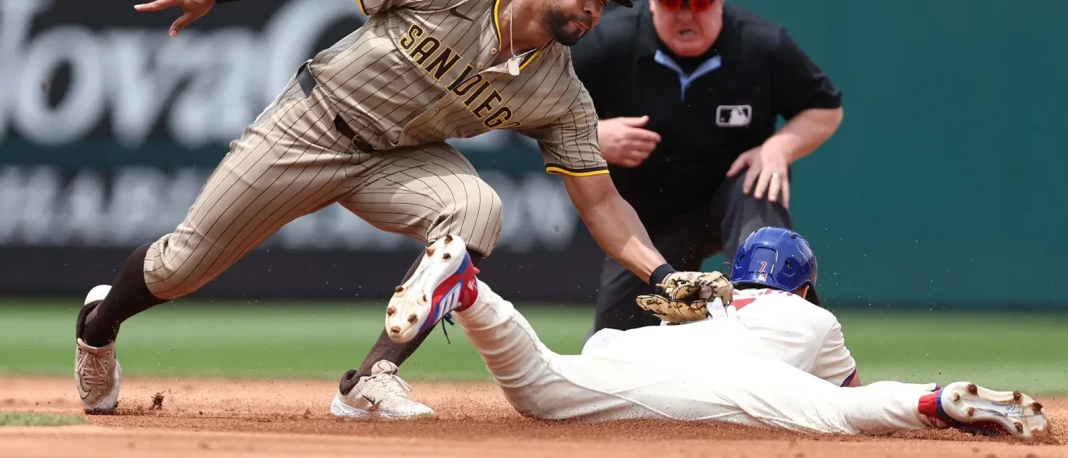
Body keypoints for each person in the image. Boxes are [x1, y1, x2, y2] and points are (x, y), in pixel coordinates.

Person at [71, 0, 734, 419]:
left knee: (479, 210)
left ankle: (371, 376)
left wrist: (661, 274)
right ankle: (97, 327)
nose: (591, 8)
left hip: (400, 158)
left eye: (602, 0)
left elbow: (602, 204)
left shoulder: (560, 93)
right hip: (314, 121)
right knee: (180, 267)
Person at [385, 231, 1048, 442]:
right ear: (806, 285)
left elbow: (602, 348)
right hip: (749, 382)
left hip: (639, 354)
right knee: (845, 414)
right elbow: (843, 391)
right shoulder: (814, 318)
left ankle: (471, 289)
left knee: (541, 382)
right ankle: (934, 401)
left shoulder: (706, 298)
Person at [569, 0, 844, 335]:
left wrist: (779, 147)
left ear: (719, 0)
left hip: (733, 200)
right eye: (672, 2)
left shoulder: (759, 43)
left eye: (698, 3)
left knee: (760, 183)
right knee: (613, 349)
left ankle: (773, 323)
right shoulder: (610, 43)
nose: (686, 16)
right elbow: (536, 109)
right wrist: (592, 134)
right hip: (648, 217)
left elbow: (825, 108)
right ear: (651, 0)